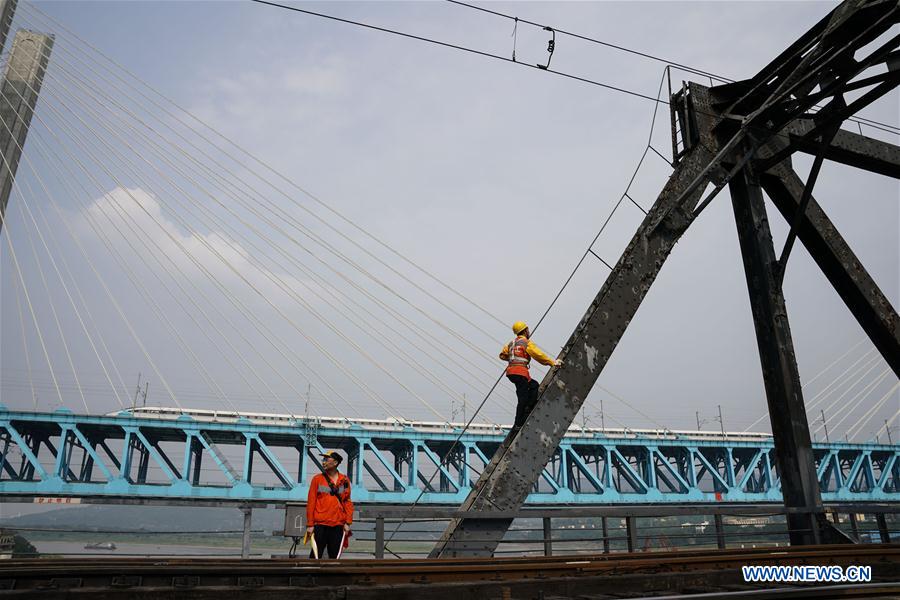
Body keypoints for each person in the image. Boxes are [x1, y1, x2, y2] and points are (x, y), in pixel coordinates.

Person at [499, 321, 562, 429]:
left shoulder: (511, 343)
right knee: (522, 397)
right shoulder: (525, 343)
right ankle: (518, 423)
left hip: (511, 373)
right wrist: (552, 362)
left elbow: (502, 355)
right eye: (527, 330)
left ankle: (527, 408)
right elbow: (538, 355)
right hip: (520, 372)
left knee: (534, 386)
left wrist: (513, 359)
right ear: (525, 330)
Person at [306, 450, 353, 559]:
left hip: (337, 525)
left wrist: (348, 523)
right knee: (315, 556)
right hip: (320, 525)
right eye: (323, 459)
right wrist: (310, 525)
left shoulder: (344, 480)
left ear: (335, 462)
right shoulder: (317, 479)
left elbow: (347, 501)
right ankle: (311, 576)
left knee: (334, 557)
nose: (323, 462)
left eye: (326, 459)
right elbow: (311, 502)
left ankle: (332, 576)